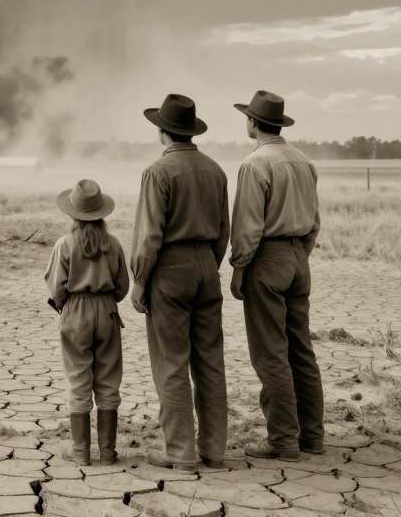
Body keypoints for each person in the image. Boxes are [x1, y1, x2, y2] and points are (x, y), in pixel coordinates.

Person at [130, 93, 229, 471]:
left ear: (162, 131)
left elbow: (149, 235)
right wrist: (208, 265)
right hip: (207, 265)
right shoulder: (215, 170)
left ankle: (180, 452)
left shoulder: (157, 172)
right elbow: (223, 232)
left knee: (172, 363)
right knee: (210, 362)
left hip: (170, 269)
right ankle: (214, 450)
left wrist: (140, 281)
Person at [229, 90, 323, 461]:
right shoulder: (303, 162)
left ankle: (282, 440)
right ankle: (312, 436)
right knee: (301, 347)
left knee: (271, 351)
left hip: (267, 258)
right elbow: (314, 222)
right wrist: (299, 255)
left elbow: (248, 226)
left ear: (252, 123)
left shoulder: (255, 164)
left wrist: (240, 268)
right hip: (300, 256)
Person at [45, 178, 129, 466]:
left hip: (76, 310)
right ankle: (107, 452)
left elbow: (56, 287)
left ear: (72, 213)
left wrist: (64, 305)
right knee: (108, 380)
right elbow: (122, 286)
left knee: (78, 378)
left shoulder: (65, 244)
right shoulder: (113, 243)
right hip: (107, 309)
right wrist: (105, 300)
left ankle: (81, 451)